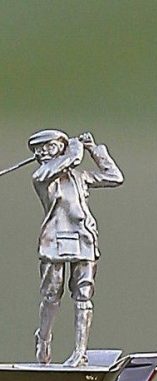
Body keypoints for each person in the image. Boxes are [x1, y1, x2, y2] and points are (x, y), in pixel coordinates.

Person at [29, 129, 124, 366]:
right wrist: (74, 147)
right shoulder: (42, 175)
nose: (44, 153)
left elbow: (114, 177)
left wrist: (94, 149)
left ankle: (80, 351)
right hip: (55, 240)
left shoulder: (80, 177)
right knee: (51, 295)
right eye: (40, 150)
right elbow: (72, 158)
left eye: (50, 147)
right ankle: (44, 339)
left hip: (83, 238)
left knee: (84, 295)